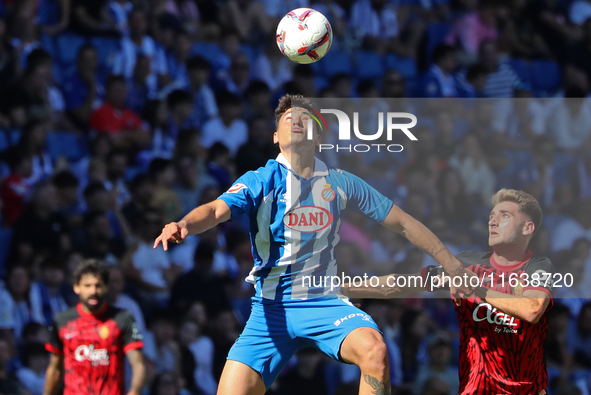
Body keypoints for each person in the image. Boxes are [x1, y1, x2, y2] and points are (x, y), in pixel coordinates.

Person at [154, 94, 476, 395]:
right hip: (270, 309)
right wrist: (184, 224)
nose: (296, 121)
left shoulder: (340, 182)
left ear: (317, 138)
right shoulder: (260, 180)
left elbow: (403, 222)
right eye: (287, 119)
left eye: (304, 118)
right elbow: (214, 210)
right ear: (275, 138)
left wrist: (449, 261)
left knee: (375, 350)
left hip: (324, 301)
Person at [345, 189, 555, 394]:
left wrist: (475, 287)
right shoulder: (463, 263)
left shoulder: (537, 266)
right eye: (492, 216)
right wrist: (342, 288)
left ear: (527, 228)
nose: (493, 221)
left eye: (505, 216)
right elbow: (402, 283)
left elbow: (532, 309)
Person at [43, 259, 146, 395]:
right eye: (87, 285)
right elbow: (55, 368)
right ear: (76, 287)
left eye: (98, 285)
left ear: (106, 287)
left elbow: (138, 363)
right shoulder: (62, 321)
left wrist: (134, 391)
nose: (93, 291)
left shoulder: (122, 318)